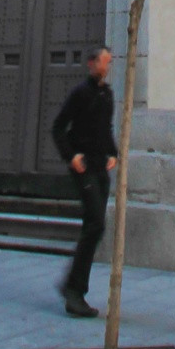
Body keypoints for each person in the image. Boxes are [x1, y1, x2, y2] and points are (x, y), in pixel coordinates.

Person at [51, 44, 117, 317]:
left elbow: (106, 129)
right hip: (84, 168)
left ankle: (72, 288)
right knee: (96, 224)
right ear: (92, 63)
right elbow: (58, 128)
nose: (108, 66)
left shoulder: (107, 95)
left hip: (102, 167)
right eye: (105, 61)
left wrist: (113, 152)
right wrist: (71, 156)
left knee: (95, 226)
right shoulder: (80, 93)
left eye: (109, 62)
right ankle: (74, 290)